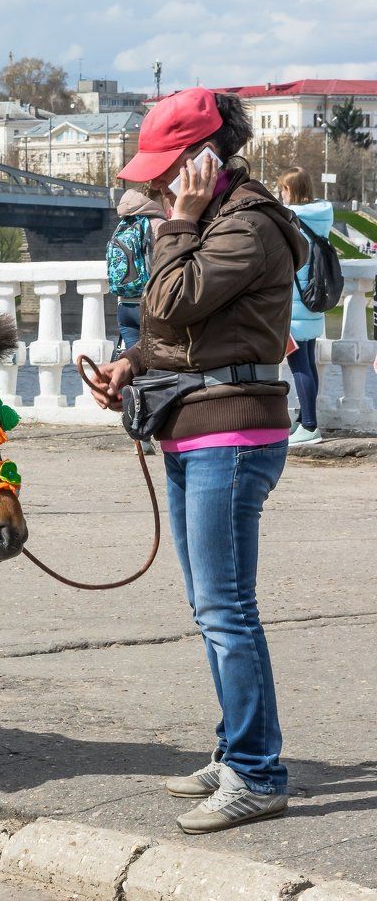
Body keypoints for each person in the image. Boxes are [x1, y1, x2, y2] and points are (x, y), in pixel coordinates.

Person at [89, 88, 307, 834]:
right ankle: (237, 750)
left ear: (205, 159)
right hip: (191, 425)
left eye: (165, 171)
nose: (153, 187)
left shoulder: (248, 225)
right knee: (211, 609)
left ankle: (257, 773)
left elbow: (171, 298)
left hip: (234, 437)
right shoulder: (213, 221)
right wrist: (130, 365)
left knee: (227, 610)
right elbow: (173, 333)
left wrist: (175, 223)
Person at [278, 167, 333, 446]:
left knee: (299, 365)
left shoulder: (292, 221)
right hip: (313, 302)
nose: (280, 194)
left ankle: (310, 426)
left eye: (283, 189)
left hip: (295, 305)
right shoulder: (321, 218)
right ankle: (305, 419)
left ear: (291, 191)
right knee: (308, 363)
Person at [108, 188, 165, 353]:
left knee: (133, 362)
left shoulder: (122, 226)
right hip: (149, 303)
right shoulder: (158, 225)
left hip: (124, 305)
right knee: (158, 363)